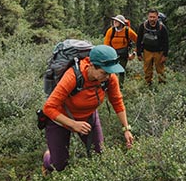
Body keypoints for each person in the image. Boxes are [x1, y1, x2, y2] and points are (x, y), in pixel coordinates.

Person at [42, 45, 134, 173]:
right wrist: (73, 124)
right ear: (91, 65)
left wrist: (126, 129)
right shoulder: (72, 76)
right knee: (58, 165)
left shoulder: (110, 78)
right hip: (60, 119)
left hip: (88, 117)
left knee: (99, 155)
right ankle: (48, 156)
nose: (107, 76)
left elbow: (117, 101)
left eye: (110, 72)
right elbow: (48, 107)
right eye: (104, 72)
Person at [136, 9, 169, 86]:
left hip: (159, 52)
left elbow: (166, 42)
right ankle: (148, 84)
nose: (152, 19)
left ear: (157, 17)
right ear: (148, 16)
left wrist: (165, 55)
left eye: (154, 17)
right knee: (147, 69)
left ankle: (162, 85)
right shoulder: (143, 26)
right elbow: (139, 39)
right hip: (147, 51)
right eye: (150, 17)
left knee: (160, 70)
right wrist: (138, 53)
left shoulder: (162, 27)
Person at [103, 14, 138, 85]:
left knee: (121, 71)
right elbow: (106, 44)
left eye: (117, 21)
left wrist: (134, 53)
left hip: (123, 54)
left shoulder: (128, 31)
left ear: (121, 23)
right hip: (112, 54)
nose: (114, 22)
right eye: (114, 20)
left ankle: (120, 87)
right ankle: (110, 86)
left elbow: (138, 41)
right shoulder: (110, 31)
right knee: (110, 71)